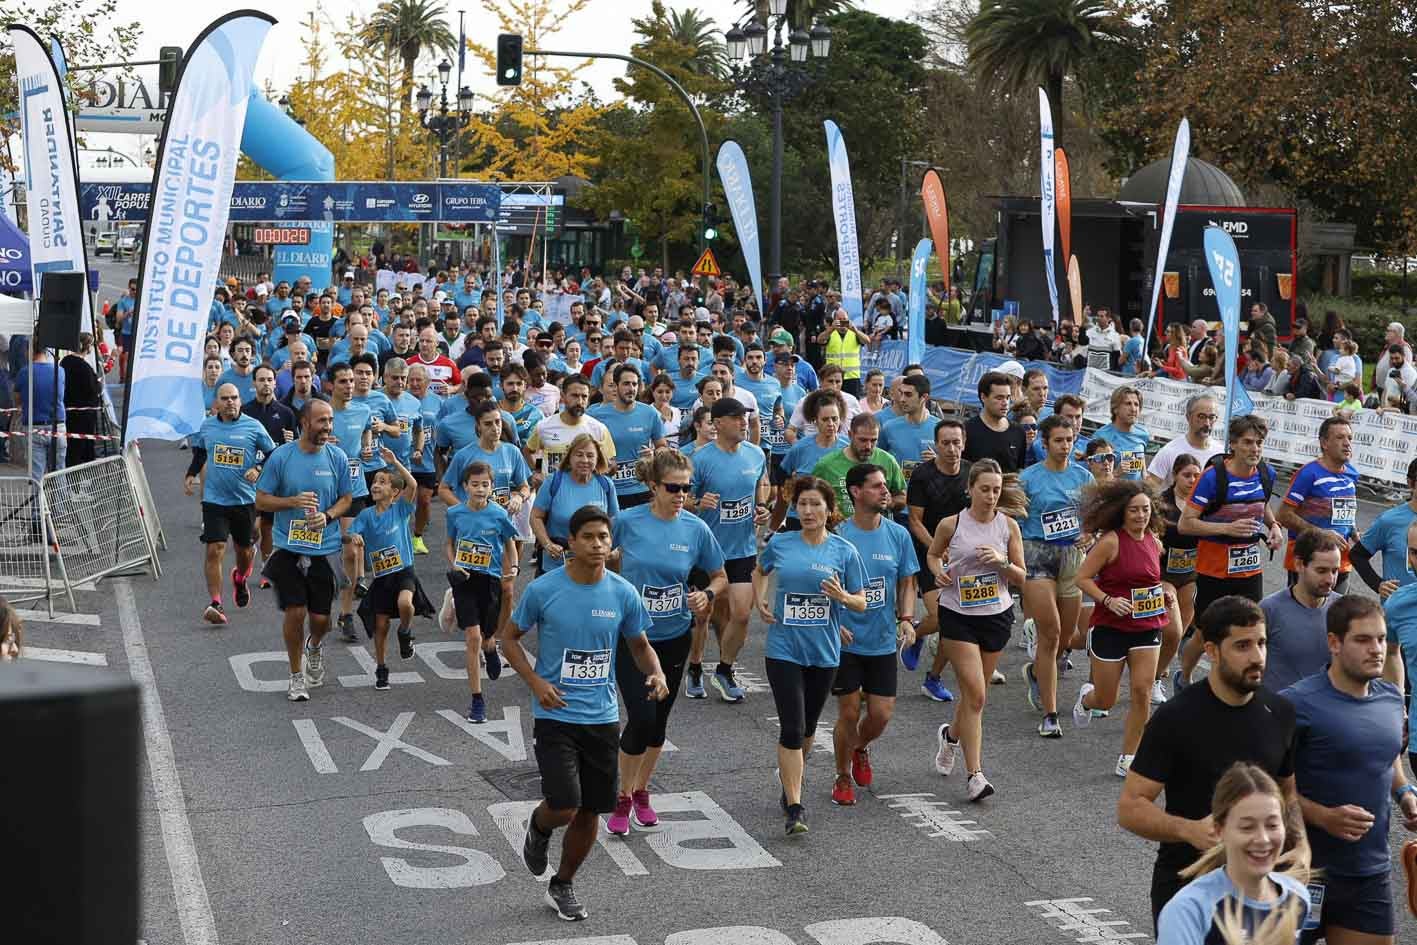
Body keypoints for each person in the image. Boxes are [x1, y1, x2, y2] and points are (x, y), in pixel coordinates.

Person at [503, 506, 666, 922]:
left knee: (593, 809)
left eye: (604, 537)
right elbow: (509, 639)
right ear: (571, 543)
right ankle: (539, 827)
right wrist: (537, 683)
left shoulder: (622, 592)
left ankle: (564, 883)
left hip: (602, 717)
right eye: (589, 537)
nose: (598, 545)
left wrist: (657, 671)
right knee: (565, 805)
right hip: (555, 714)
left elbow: (640, 644)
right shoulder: (544, 590)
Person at [1119, 595, 1300, 928]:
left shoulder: (1281, 713)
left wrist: (1298, 854)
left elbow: (1287, 794)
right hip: (1189, 888)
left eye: (1261, 643)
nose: (1257, 656)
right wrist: (1188, 830)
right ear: (1212, 651)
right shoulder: (1175, 718)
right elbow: (1131, 807)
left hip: (1260, 893)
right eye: (1242, 646)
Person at [1282, 596, 1415, 945]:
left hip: (1368, 874)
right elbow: (1258, 786)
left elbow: (1385, 757)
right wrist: (1322, 817)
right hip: (1299, 872)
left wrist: (1405, 795)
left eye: (1382, 639)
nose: (1376, 649)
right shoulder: (1295, 704)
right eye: (1363, 639)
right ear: (1334, 643)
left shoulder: (1390, 699)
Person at [607, 449, 727, 833]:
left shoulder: (695, 528)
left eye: (686, 488)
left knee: (658, 724)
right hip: (632, 638)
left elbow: (720, 575)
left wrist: (706, 595)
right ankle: (622, 797)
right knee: (640, 718)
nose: (680, 494)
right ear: (652, 486)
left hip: (675, 636)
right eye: (673, 488)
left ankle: (641, 790)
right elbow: (595, 557)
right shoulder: (626, 522)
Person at [752, 476, 868, 835]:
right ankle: (796, 806)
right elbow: (759, 571)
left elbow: (862, 601)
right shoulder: (782, 543)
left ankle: (790, 781)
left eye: (815, 504)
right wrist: (761, 600)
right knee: (791, 726)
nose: (808, 511)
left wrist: (842, 598)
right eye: (802, 504)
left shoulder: (844, 551)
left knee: (808, 729)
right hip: (784, 648)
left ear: (829, 510)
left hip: (824, 652)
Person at [928, 459, 1025, 800]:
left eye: (996, 490)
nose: (990, 496)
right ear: (969, 489)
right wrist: (937, 571)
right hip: (958, 615)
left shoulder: (1008, 526)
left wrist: (1002, 562)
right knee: (978, 695)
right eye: (984, 489)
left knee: (973, 697)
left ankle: (951, 737)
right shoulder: (951, 524)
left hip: (996, 616)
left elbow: (1021, 576)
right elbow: (933, 554)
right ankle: (976, 776)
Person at [254, 400, 354, 702]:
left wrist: (328, 516)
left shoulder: (336, 457)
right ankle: (296, 676)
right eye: (321, 421)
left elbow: (347, 498)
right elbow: (261, 500)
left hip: (326, 547)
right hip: (288, 546)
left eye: (330, 421)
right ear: (304, 422)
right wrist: (292, 502)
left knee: (320, 619)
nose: (327, 427)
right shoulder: (281, 457)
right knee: (296, 612)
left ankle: (314, 646)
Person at [831, 464, 918, 806]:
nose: (886, 491)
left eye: (886, 486)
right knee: (849, 713)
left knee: (880, 715)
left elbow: (907, 582)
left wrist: (907, 618)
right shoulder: (838, 536)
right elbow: (825, 585)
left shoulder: (897, 535)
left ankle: (859, 748)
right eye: (877, 486)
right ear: (856, 492)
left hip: (882, 639)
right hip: (846, 640)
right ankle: (841, 776)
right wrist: (834, 623)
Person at [1072, 478, 1170, 777]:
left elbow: (1153, 580)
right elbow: (1082, 578)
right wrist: (1107, 600)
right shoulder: (1111, 542)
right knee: (1107, 699)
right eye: (1134, 511)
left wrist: (1164, 594)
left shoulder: (1155, 540)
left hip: (1147, 625)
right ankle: (1086, 701)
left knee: (1142, 692)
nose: (1141, 516)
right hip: (1111, 627)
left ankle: (1129, 756)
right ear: (1122, 513)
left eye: (1145, 510)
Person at [1156, 763, 1311, 945]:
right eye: (1247, 827)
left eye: (1272, 825)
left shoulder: (1297, 898)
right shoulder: (1189, 910)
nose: (1263, 839)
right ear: (1219, 830)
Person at [1019, 414, 1095, 737]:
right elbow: (1013, 518)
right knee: (1049, 633)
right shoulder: (1028, 478)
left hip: (1072, 557)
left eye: (1070, 439)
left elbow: (1093, 515)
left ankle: (1037, 672)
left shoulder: (1083, 475)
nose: (1065, 446)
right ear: (1045, 443)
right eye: (1059, 440)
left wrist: (1089, 534)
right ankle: (1051, 715)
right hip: (1037, 554)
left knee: (1065, 636)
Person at [690, 397, 770, 702]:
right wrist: (697, 503)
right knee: (702, 615)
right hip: (707, 550)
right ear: (718, 423)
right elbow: (680, 501)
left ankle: (724, 669)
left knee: (741, 613)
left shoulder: (755, 454)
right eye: (737, 418)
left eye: (746, 417)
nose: (744, 423)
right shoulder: (700, 459)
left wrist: (761, 509)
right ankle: (695, 667)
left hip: (742, 548)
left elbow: (760, 487)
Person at [183, 383, 277, 624]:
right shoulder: (208, 427)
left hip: (244, 500)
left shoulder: (253, 427)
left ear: (240, 400)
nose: (230, 402)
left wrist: (257, 468)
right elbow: (201, 452)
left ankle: (240, 577)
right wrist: (190, 474)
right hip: (214, 500)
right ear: (217, 403)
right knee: (215, 549)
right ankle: (216, 602)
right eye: (225, 398)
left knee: (244, 551)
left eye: (235, 397)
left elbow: (272, 453)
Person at [1179, 415, 1285, 615]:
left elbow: (1262, 503)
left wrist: (1274, 526)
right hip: (1213, 569)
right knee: (1208, 635)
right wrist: (1226, 528)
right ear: (1233, 444)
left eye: (1259, 442)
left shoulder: (1266, 474)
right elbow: (1185, 524)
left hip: (1249, 569)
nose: (1255, 448)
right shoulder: (1212, 477)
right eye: (1247, 442)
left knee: (1250, 624)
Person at [444, 460, 521, 722]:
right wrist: (455, 565)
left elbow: (510, 543)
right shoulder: (455, 513)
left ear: (491, 487)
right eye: (474, 484)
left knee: (487, 636)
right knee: (472, 638)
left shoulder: (499, 514)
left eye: (485, 484)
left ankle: (491, 648)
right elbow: (450, 544)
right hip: (465, 580)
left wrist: (515, 567)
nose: (480, 489)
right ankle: (477, 700)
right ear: (465, 486)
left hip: (491, 581)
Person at [903, 418, 972, 700]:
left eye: (957, 443)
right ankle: (919, 633)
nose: (952, 449)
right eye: (945, 443)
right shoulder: (922, 475)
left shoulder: (971, 472)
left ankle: (933, 677)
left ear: (964, 444)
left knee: (956, 619)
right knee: (943, 616)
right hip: (928, 549)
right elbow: (915, 521)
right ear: (936, 445)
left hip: (963, 553)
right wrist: (937, 546)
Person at [347, 448, 425, 690]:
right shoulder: (367, 514)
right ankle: (381, 668)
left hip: (403, 571)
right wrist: (354, 537)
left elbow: (412, 485)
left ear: (394, 492)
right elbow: (352, 531)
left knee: (405, 604)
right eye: (375, 482)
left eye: (383, 482)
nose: (376, 485)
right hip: (382, 576)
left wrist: (396, 462)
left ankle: (405, 631)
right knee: (380, 626)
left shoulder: (400, 510)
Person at [1276, 417, 1359, 593]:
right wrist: (1320, 534)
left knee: (1338, 617)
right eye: (1340, 438)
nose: (1347, 443)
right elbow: (1283, 515)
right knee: (1305, 617)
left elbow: (1344, 512)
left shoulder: (1352, 473)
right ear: (1324, 443)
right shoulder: (1308, 474)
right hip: (1309, 561)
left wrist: (1353, 531)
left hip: (1340, 563)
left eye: (1349, 438)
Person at [1260, 531, 1341, 696]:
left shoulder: (1343, 610)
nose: (1330, 579)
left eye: (1335, 571)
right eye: (1321, 571)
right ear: (1299, 565)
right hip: (1280, 713)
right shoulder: (1269, 610)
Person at [531, 432, 618, 575]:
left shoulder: (606, 484)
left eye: (590, 456)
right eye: (579, 455)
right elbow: (535, 517)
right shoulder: (553, 481)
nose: (585, 460)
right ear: (570, 457)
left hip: (593, 564)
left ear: (597, 459)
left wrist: (609, 550)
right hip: (556, 563)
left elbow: (614, 521)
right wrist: (547, 544)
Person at [589, 363, 668, 510]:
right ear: (616, 385)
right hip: (607, 488)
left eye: (634, 384)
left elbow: (662, 447)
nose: (631, 388)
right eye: (626, 384)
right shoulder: (595, 416)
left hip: (641, 489)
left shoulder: (649, 413)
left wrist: (654, 454)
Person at [1158, 454, 1203, 702]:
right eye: (1187, 475)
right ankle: (1153, 678)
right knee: (1173, 631)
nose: (1192, 480)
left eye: (1197, 475)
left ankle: (1162, 659)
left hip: (1190, 574)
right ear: (1175, 475)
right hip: (1163, 572)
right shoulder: (1161, 502)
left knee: (1182, 627)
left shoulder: (1202, 503)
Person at [775, 389, 848, 531]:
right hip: (800, 519)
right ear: (815, 421)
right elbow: (782, 476)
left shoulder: (848, 447)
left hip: (834, 521)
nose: (831, 424)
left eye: (835, 419)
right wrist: (794, 499)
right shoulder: (800, 447)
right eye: (825, 419)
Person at [811, 412, 907, 517]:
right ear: (850, 435)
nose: (868, 446)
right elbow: (812, 500)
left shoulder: (888, 460)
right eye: (863, 440)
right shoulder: (826, 465)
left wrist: (890, 502)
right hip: (840, 530)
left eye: (873, 440)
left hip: (878, 529)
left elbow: (902, 497)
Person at [524, 375, 615, 479]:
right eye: (575, 396)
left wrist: (602, 467)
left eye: (584, 396)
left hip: (585, 492)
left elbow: (611, 463)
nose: (580, 401)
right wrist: (538, 470)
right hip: (554, 493)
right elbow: (531, 451)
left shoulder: (599, 429)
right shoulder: (544, 426)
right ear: (563, 396)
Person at [1351, 458, 1417, 599]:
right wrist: (1378, 584)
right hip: (1399, 615)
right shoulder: (1389, 521)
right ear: (1411, 483)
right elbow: (1357, 555)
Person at [1147, 394, 1224, 492]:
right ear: (1188, 417)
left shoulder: (1221, 454)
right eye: (1201, 416)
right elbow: (1149, 488)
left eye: (1211, 417)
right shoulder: (1170, 451)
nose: (1207, 423)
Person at [964, 371, 1027, 473]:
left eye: (1007, 397)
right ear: (983, 397)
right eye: (999, 398)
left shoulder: (1018, 432)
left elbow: (1019, 470)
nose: (1005, 403)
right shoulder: (967, 430)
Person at [59, 334, 103, 467]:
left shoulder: (65, 362)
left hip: (68, 411)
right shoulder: (84, 368)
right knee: (81, 449)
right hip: (84, 416)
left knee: (71, 448)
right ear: (87, 347)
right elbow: (93, 389)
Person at [1092, 386, 1151, 482]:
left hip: (1136, 493)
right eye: (1128, 404)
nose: (1133, 409)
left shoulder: (1143, 433)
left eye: (1136, 404)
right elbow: (1094, 477)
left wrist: (1144, 475)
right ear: (1115, 409)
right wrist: (1116, 473)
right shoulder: (1101, 436)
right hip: (1112, 494)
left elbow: (1140, 458)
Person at [815, 310, 870, 396]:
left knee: (852, 404)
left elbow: (867, 341)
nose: (842, 322)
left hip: (851, 377)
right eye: (839, 319)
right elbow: (820, 340)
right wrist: (831, 329)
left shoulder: (854, 333)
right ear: (834, 321)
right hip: (833, 377)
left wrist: (855, 330)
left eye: (844, 319)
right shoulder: (831, 333)